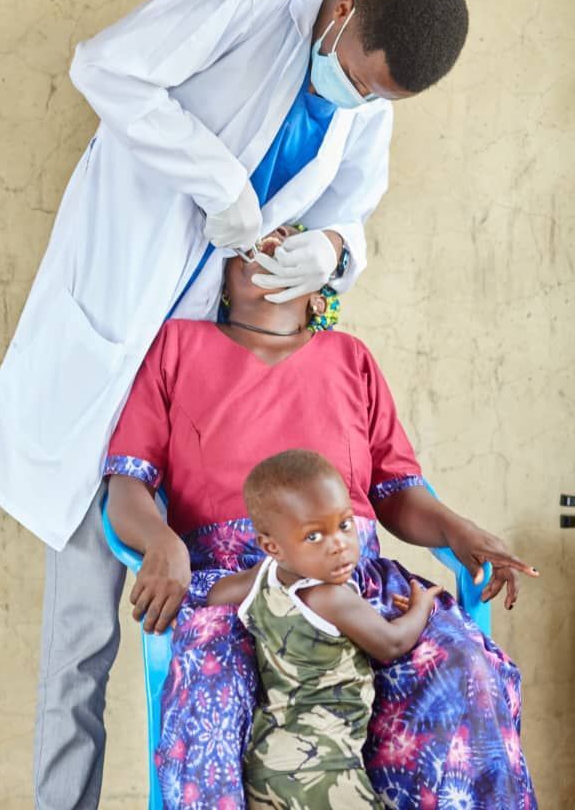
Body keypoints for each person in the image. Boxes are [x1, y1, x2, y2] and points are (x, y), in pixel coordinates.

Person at [0, 0, 469, 808]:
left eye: (380, 98)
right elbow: (106, 68)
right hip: (117, 355)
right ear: (342, 12)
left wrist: (336, 251)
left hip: (212, 382)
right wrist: (222, 184)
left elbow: (353, 209)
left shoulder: (369, 95)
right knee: (83, 642)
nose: (361, 102)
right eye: (356, 80)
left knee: (233, 643)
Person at [105, 229, 539, 809]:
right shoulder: (176, 348)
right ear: (224, 276)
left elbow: (399, 492)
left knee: (463, 667)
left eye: (290, 235)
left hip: (353, 580)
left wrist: (459, 529)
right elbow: (128, 486)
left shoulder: (350, 358)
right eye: (254, 240)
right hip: (235, 590)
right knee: (211, 700)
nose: (272, 242)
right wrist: (163, 543)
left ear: (318, 292)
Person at [208, 450, 443, 810]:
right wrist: (421, 607)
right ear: (272, 546)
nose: (339, 545)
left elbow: (215, 596)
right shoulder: (333, 598)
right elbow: (392, 643)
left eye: (345, 525)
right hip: (326, 766)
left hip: (265, 762)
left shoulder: (259, 581)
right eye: (314, 536)